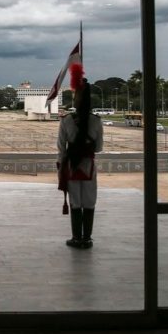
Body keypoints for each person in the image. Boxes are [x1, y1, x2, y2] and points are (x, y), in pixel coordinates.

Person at [57, 63, 103, 249]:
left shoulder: (67, 120)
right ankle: (87, 238)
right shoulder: (96, 121)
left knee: (75, 202)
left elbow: (61, 147)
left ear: (76, 98)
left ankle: (77, 238)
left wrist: (61, 167)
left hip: (72, 166)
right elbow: (98, 148)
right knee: (89, 202)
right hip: (89, 166)